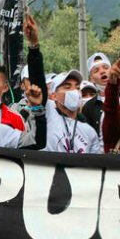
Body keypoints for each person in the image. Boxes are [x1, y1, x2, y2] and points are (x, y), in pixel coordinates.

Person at [22, 12, 102, 154]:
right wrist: (34, 46)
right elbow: (38, 82)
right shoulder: (48, 115)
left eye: (77, 87)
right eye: (66, 87)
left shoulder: (90, 133)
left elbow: (94, 170)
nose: (74, 91)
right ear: (53, 96)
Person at [78, 52, 111, 132]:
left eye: (106, 68)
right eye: (96, 70)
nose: (102, 71)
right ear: (91, 79)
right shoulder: (88, 108)